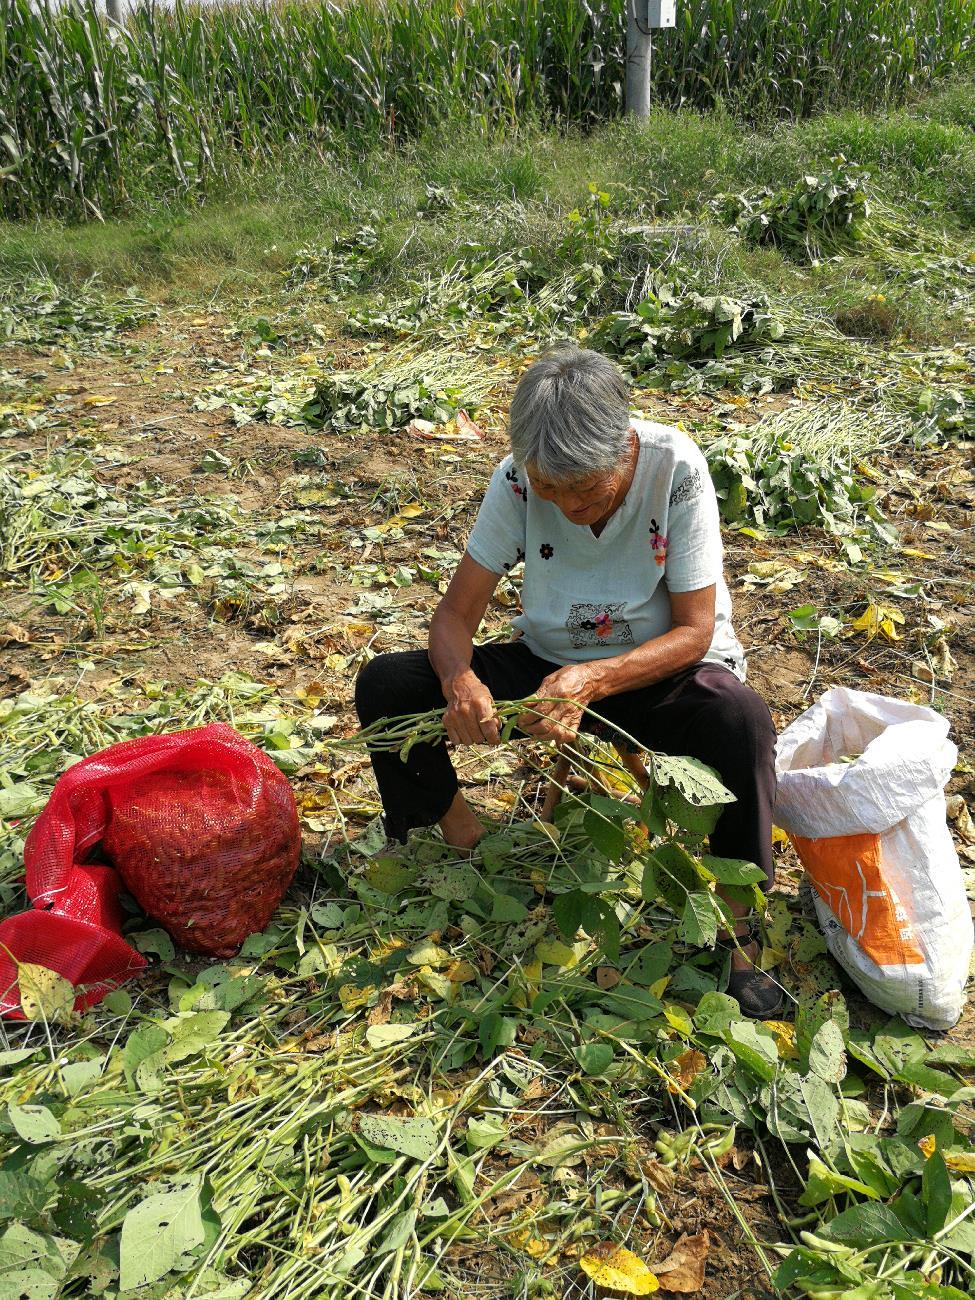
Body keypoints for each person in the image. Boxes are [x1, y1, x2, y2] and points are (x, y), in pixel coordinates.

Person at [355, 348, 781, 1017]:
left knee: (740, 719)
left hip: (657, 664)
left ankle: (737, 927)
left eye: (586, 488)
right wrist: (459, 676)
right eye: (552, 490)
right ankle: (465, 845)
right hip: (550, 664)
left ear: (623, 447)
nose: (569, 504)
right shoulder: (519, 481)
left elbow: (695, 630)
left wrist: (591, 679)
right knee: (388, 685)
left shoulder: (675, 467)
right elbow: (455, 614)